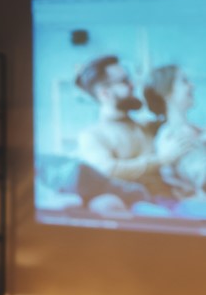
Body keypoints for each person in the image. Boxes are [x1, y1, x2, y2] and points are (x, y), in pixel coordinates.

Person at [75, 55, 189, 204]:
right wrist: (161, 160)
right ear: (105, 93)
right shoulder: (92, 135)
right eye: (124, 81)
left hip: (175, 202)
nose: (132, 85)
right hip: (140, 210)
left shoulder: (147, 127)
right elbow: (107, 170)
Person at [144, 65, 206, 200]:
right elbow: (203, 179)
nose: (192, 85)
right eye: (184, 81)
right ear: (166, 93)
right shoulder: (172, 137)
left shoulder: (194, 131)